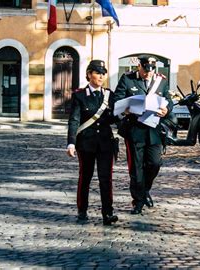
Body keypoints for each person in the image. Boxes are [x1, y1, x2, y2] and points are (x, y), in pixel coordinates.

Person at [114, 55, 173, 215]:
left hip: (154, 130)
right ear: (139, 66)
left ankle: (145, 189)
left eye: (151, 70)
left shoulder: (161, 81)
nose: (148, 73)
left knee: (155, 163)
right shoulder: (127, 80)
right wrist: (124, 109)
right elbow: (117, 100)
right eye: (145, 69)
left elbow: (168, 100)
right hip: (134, 130)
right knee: (136, 168)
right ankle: (138, 201)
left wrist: (167, 110)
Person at [66, 60, 118, 226]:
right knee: (85, 177)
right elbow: (74, 120)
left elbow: (113, 118)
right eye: (97, 72)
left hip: (105, 143)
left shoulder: (109, 95)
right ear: (89, 74)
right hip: (86, 143)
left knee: (106, 178)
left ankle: (107, 212)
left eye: (103, 72)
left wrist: (123, 114)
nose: (101, 76)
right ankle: (82, 210)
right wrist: (71, 143)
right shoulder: (79, 95)